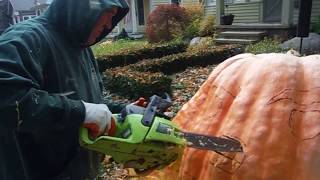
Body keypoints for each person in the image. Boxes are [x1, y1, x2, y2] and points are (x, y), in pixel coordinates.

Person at [0, 0, 129, 179]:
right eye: (109, 13)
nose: (109, 24)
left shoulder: (82, 47)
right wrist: (81, 112)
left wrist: (122, 112)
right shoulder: (25, 38)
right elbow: (8, 98)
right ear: (84, 7)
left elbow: (84, 102)